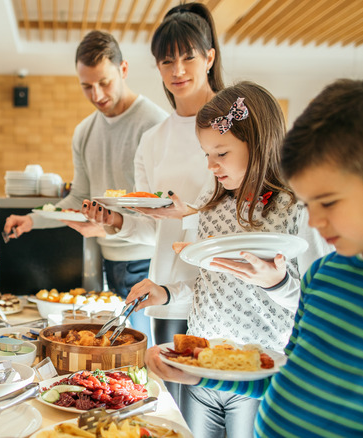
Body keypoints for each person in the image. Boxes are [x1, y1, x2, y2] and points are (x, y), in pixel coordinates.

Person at [145, 79, 363, 437]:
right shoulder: (324, 275)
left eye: (326, 202)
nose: (312, 220)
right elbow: (288, 378)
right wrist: (203, 373)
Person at [125, 81, 330, 438]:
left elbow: (320, 305)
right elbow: (210, 284)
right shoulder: (213, 201)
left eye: (221, 153)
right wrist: (167, 293)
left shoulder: (297, 207)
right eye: (206, 154)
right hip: (202, 364)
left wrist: (277, 284)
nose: (211, 165)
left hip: (258, 371)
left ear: (259, 142)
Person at [80, 2, 222, 399]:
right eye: (166, 61)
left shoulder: (232, 124)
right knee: (175, 414)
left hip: (224, 294)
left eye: (187, 58)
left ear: (208, 58)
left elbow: (246, 214)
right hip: (169, 294)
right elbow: (153, 229)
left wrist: (190, 214)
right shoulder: (153, 139)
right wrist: (116, 221)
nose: (177, 71)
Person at [3, 30, 168, 336]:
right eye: (87, 86)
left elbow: (162, 208)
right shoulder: (84, 132)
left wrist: (107, 226)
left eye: (104, 82)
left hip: (148, 262)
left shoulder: (156, 124)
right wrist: (32, 219)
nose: (97, 95)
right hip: (109, 260)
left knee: (146, 352)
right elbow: (79, 197)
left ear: (124, 69)